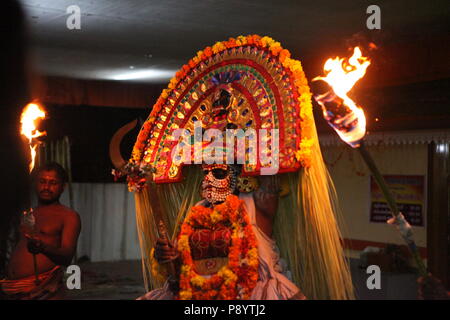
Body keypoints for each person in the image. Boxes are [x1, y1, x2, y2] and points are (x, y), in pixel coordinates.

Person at [0, 162, 81, 300]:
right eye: (42, 181)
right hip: (12, 289)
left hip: (44, 290)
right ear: (35, 183)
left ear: (63, 187)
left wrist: (42, 247)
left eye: (53, 183)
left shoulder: (68, 216)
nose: (47, 187)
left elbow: (67, 256)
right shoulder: (29, 214)